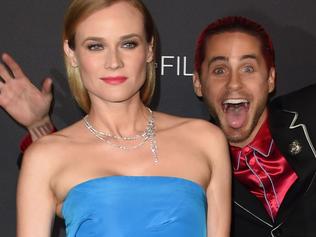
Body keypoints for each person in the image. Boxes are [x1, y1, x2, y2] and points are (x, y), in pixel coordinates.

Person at [12, 0, 231, 236]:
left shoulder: (206, 141)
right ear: (72, 54)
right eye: (96, 46)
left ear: (149, 49)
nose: (114, 62)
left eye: (128, 44)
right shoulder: (45, 158)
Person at [193, 16, 316, 236]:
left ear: (270, 79)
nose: (234, 83)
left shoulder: (311, 112)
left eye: (247, 68)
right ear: (198, 84)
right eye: (220, 70)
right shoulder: (188, 168)